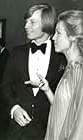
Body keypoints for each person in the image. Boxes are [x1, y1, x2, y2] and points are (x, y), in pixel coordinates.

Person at [1, 3, 66, 140]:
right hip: (17, 131)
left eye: (32, 22)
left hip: (48, 130)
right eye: (26, 22)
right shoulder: (17, 52)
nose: (26, 26)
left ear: (47, 23)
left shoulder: (62, 57)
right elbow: (5, 86)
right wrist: (14, 108)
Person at [26, 10, 83, 140]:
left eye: (59, 33)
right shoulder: (70, 68)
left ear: (72, 37)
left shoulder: (79, 70)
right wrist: (47, 90)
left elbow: (80, 125)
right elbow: (62, 109)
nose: (53, 37)